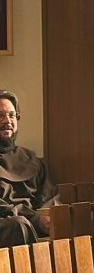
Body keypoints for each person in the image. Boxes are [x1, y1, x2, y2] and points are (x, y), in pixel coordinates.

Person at [0, 90, 57, 247]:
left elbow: (49, 196)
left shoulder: (30, 158)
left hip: (31, 222)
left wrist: (47, 216)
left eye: (12, 115)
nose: (7, 121)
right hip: (8, 224)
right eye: (1, 116)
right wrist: (33, 218)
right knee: (17, 225)